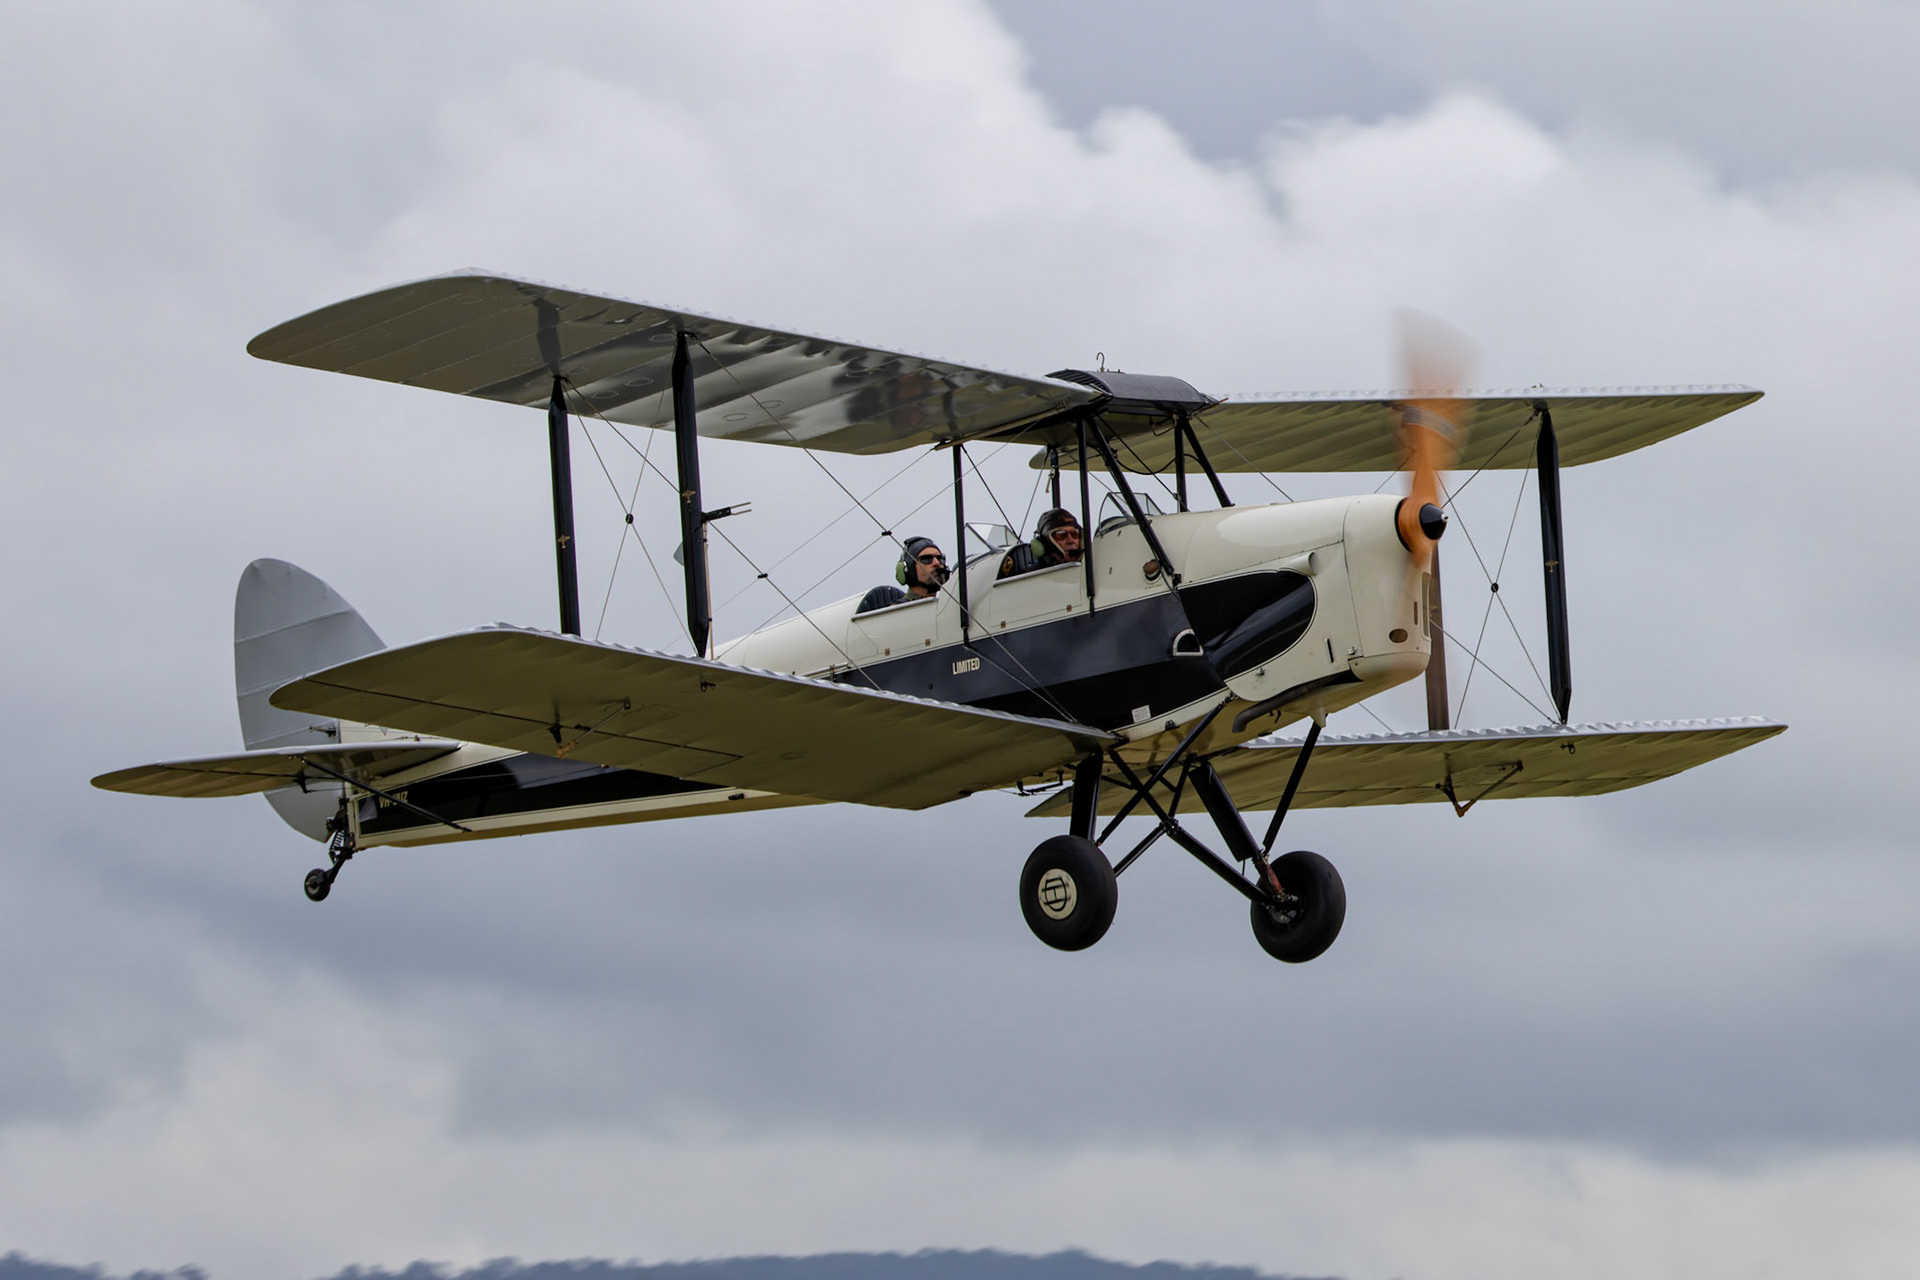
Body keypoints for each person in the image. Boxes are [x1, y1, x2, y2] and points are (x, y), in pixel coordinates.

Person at [855, 536, 949, 613]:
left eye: (940, 558)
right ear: (908, 569)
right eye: (926, 559)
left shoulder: (946, 609)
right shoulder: (896, 613)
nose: (937, 563)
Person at [996, 507, 1085, 579]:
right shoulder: (1029, 579)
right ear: (1045, 544)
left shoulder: (1092, 570)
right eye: (1061, 535)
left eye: (1074, 534)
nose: (1071, 540)